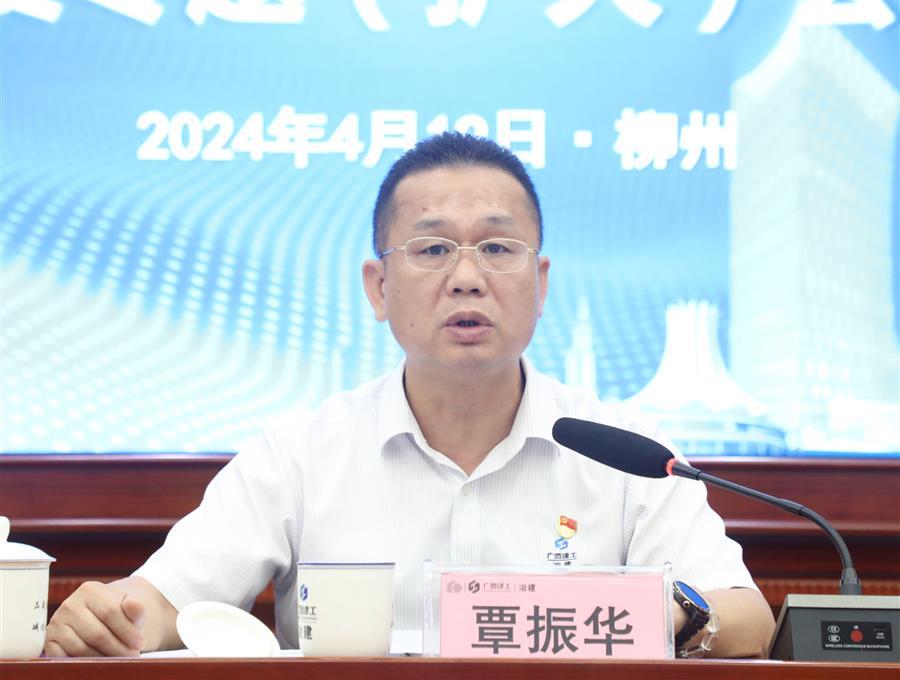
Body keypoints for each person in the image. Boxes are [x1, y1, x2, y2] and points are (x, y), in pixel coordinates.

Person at [45, 132, 775, 658]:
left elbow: (749, 619)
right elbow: (164, 604)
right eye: (431, 249)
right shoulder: (300, 455)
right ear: (379, 287)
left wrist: (653, 616)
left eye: (498, 248)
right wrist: (110, 618)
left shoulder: (629, 457)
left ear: (541, 282)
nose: (467, 278)